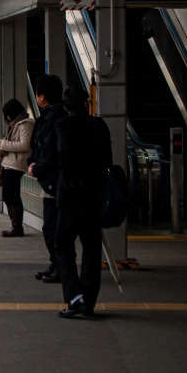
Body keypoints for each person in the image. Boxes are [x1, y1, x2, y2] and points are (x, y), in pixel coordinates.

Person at [52, 87, 112, 319]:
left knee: (62, 245)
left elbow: (64, 158)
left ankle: (74, 296)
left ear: (66, 107)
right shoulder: (99, 126)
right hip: (94, 196)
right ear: (87, 103)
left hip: (70, 197)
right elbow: (108, 158)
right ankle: (88, 302)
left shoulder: (63, 126)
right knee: (91, 248)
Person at [26, 74, 66, 282]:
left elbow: (48, 149)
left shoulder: (53, 119)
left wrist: (36, 167)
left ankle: (61, 267)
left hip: (55, 182)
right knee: (51, 227)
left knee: (53, 227)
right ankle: (55, 263)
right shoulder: (51, 117)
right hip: (52, 180)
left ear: (42, 97)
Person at [0, 99, 34, 237]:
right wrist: (2, 144)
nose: (7, 118)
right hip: (10, 163)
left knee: (9, 195)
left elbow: (25, 145)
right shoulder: (15, 124)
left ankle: (17, 226)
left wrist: (4, 144)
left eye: (7, 114)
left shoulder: (25, 124)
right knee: (11, 195)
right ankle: (16, 226)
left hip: (17, 165)